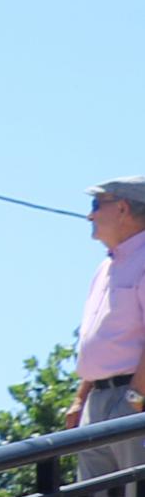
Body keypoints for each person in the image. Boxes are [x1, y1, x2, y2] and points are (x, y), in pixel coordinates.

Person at [76, 179, 145, 478]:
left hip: (131, 398)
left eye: (95, 205)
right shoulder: (105, 267)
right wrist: (80, 398)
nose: (89, 216)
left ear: (122, 208)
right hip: (98, 400)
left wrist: (135, 398)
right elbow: (99, 339)